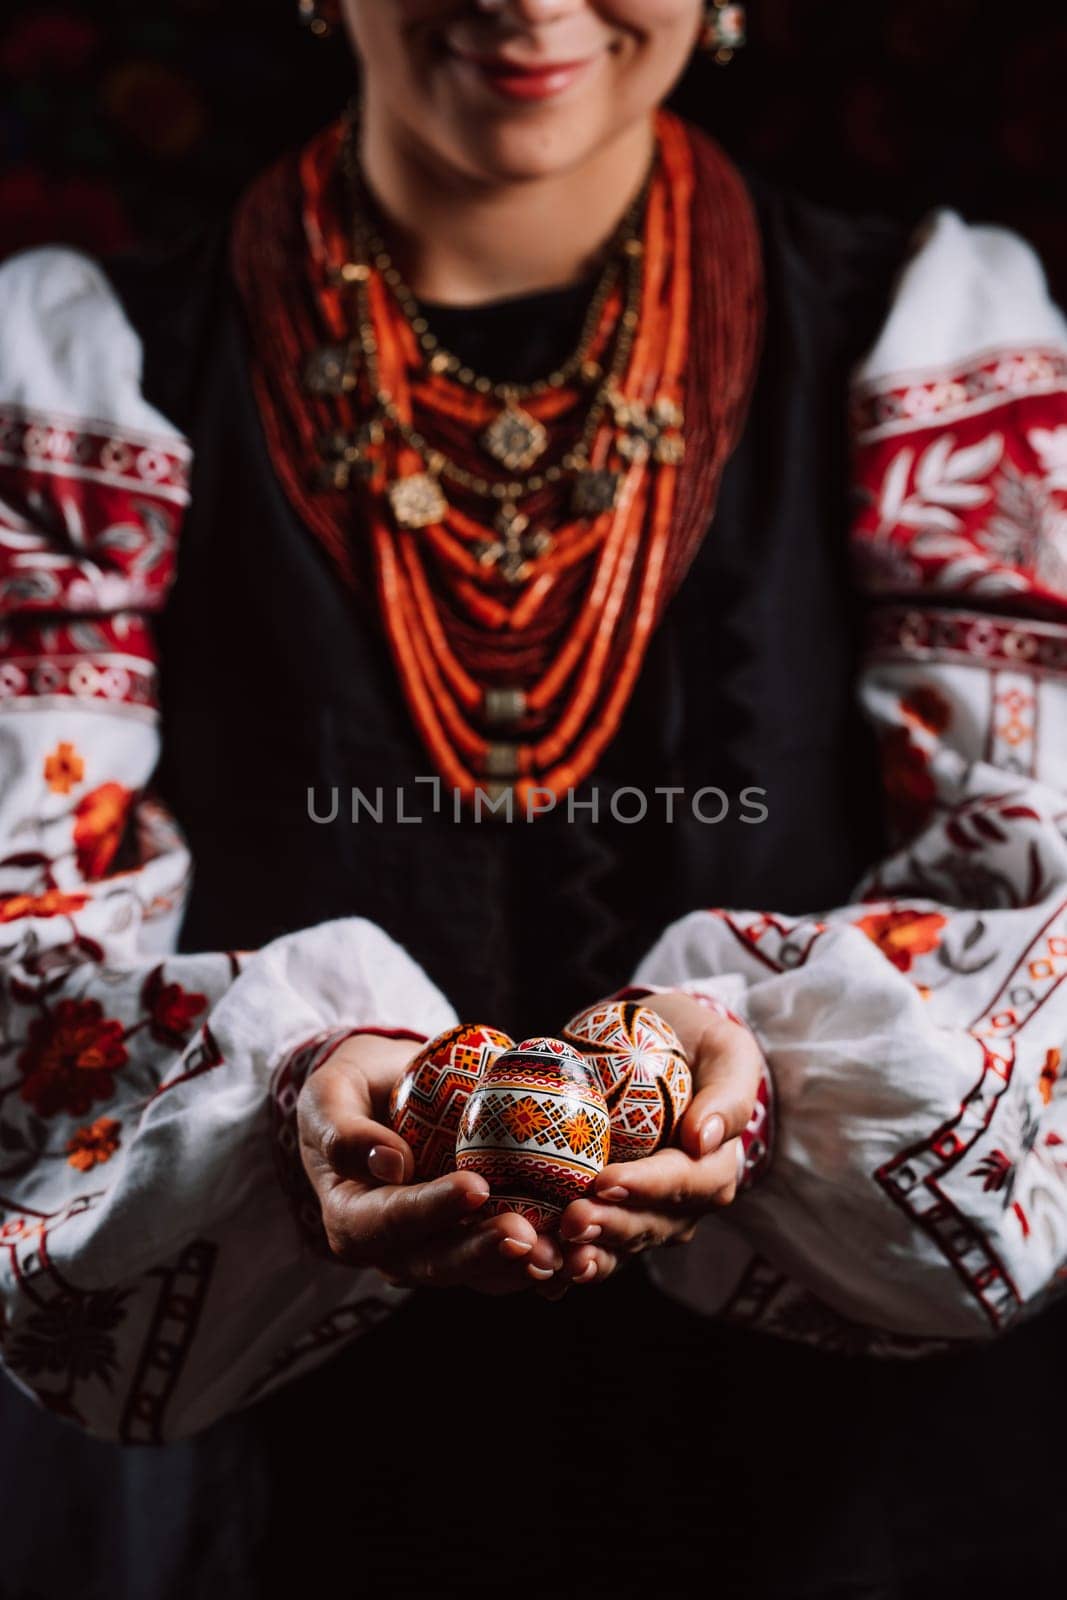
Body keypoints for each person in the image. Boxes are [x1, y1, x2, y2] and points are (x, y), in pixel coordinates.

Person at [0, 1, 1064, 1595]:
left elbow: (1035, 923)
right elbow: (27, 960)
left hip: (820, 1489)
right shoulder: (71, 383)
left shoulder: (927, 337)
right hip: (264, 1489)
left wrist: (761, 1077)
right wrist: (298, 1091)